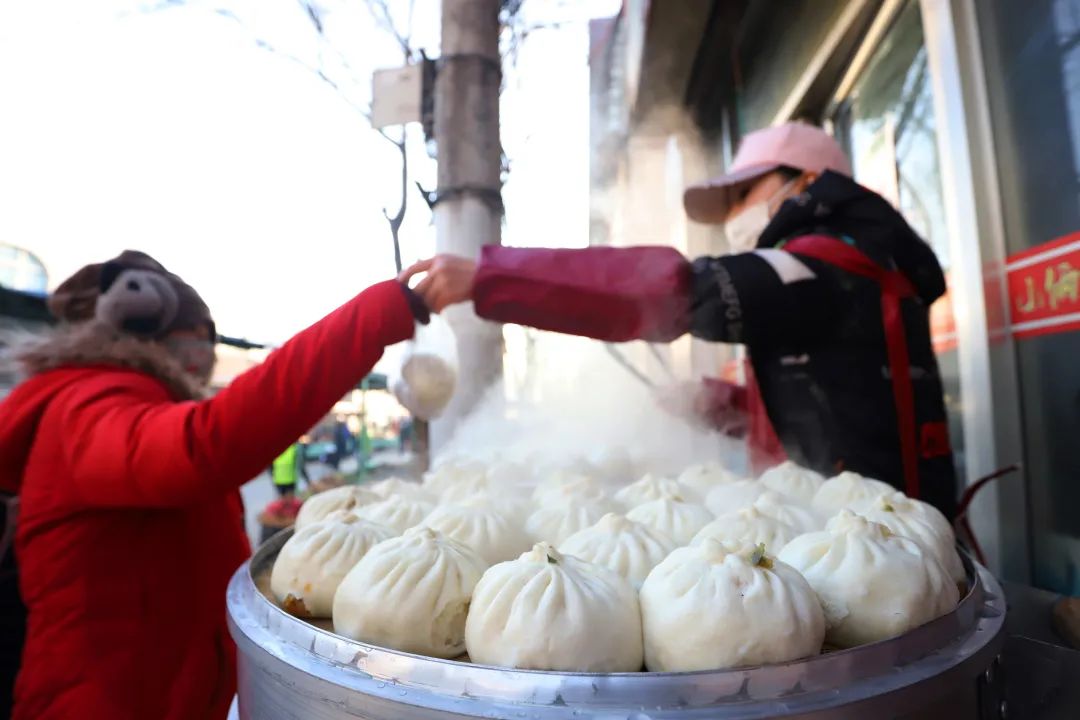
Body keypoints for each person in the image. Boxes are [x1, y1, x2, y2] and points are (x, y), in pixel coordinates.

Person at [402, 121, 958, 519]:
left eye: (746, 193)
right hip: (873, 521)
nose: (737, 213)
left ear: (808, 182)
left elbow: (675, 290)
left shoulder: (823, 266)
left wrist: (496, 278)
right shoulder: (858, 268)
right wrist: (720, 403)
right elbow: (842, 400)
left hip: (877, 538)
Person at [0, 250, 428, 720]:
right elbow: (203, 446)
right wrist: (376, 317)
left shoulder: (132, 402)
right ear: (141, 326)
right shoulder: (84, 408)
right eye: (197, 339)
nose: (204, 357)